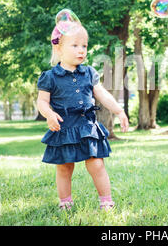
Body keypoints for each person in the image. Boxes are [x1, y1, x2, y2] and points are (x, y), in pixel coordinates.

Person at [36, 11, 129, 211]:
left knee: (96, 164)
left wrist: (119, 112)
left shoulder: (88, 73)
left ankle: (106, 201)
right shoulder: (50, 77)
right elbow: (42, 102)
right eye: (75, 45)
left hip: (87, 126)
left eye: (84, 46)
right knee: (64, 167)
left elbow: (102, 95)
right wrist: (49, 114)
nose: (81, 50)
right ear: (59, 48)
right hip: (63, 128)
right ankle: (65, 202)